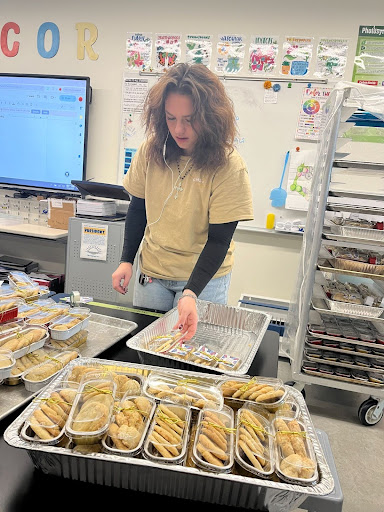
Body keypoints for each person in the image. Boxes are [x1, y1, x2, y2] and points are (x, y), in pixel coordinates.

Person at [112, 62, 253, 340]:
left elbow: (218, 241)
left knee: (193, 356)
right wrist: (126, 260)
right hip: (152, 274)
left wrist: (191, 292)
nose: (179, 129)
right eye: (171, 118)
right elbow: (138, 208)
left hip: (204, 280)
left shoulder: (228, 165)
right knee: (148, 349)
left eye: (190, 119)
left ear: (211, 117)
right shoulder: (150, 152)